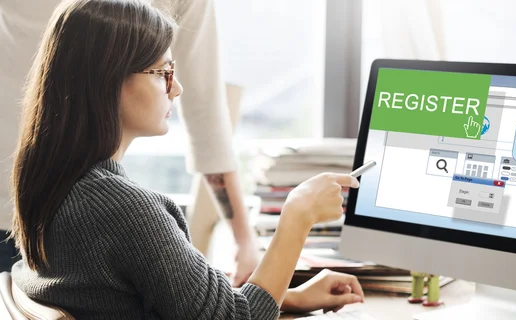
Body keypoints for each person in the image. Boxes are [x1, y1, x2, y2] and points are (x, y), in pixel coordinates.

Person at [9, 0, 364, 319]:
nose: (176, 88)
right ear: (109, 79)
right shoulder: (123, 211)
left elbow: (171, 298)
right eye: (162, 73)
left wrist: (287, 296)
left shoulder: (54, 186)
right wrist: (298, 215)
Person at [0, 0, 261, 285]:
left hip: (37, 203)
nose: (175, 88)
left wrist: (242, 240)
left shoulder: (121, 207)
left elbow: (206, 115)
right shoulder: (133, 214)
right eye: (162, 73)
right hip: (30, 213)